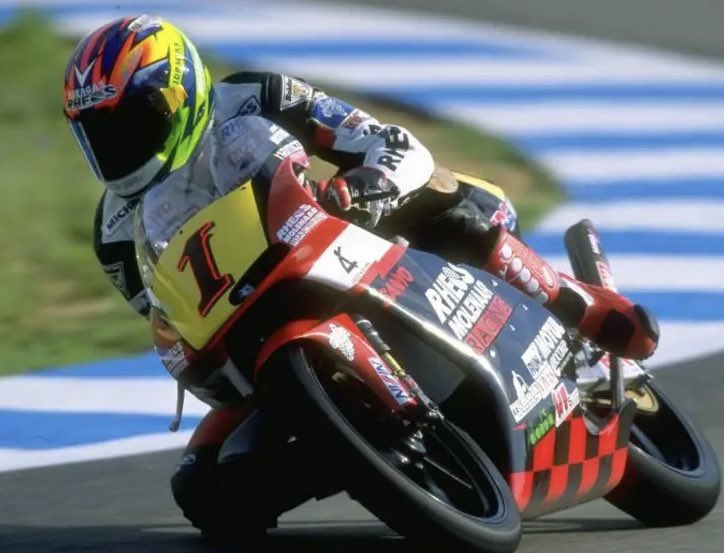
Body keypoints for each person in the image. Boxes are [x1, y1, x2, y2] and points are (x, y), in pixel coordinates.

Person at [64, 15, 659, 539]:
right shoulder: (114, 233)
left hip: (347, 239)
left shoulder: (256, 96)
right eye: (98, 134)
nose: (117, 146)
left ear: (180, 94)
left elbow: (386, 141)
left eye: (132, 123)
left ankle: (577, 304)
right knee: (203, 492)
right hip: (256, 332)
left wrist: (367, 184)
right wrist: (182, 350)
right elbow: (169, 316)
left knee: (442, 193)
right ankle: (357, 449)